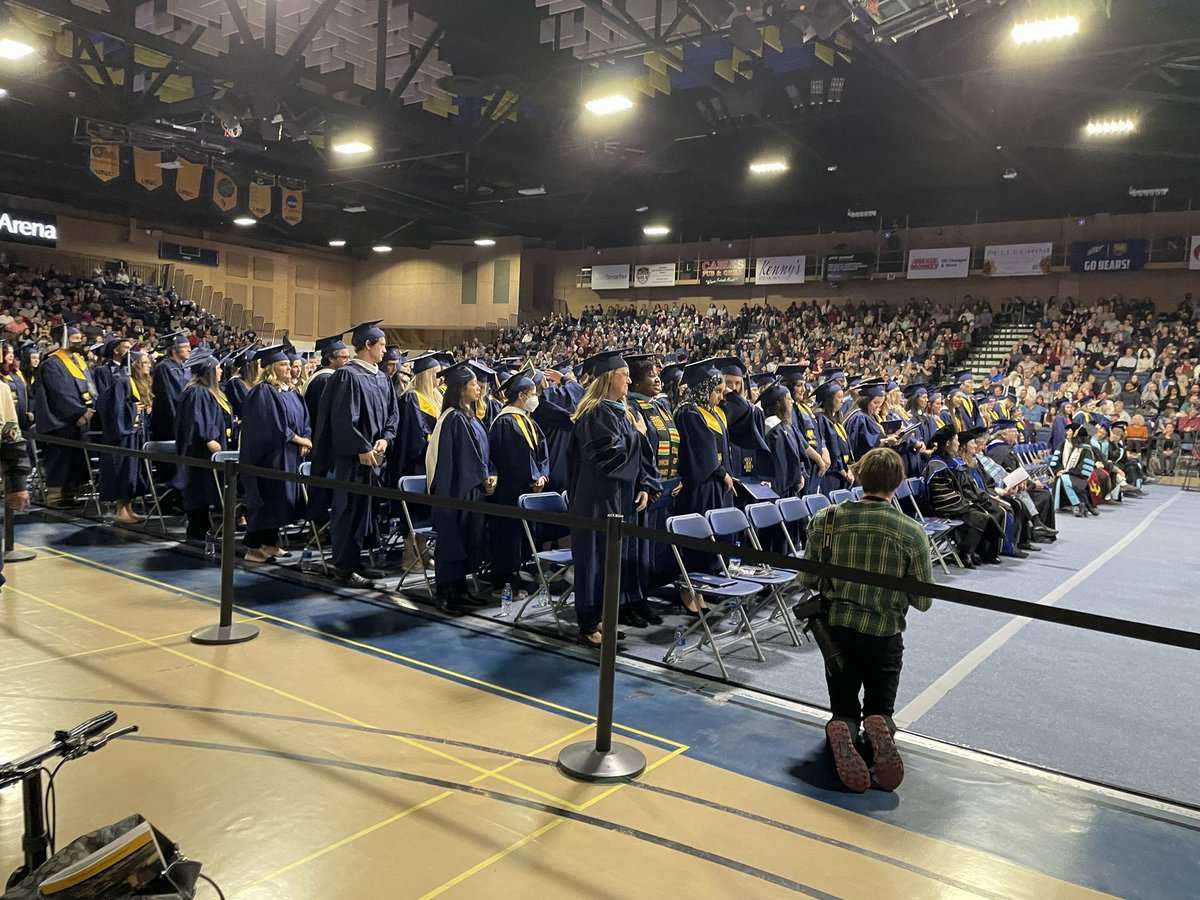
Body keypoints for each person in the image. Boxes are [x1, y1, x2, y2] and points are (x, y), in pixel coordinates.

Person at [802, 447, 932, 793]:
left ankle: (843, 726)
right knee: (880, 704)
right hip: (884, 632)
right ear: (900, 483)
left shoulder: (826, 519)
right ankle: (880, 726)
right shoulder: (911, 531)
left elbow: (808, 580)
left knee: (843, 703)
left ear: (858, 476)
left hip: (836, 631)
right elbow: (923, 600)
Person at [566, 350, 656, 645]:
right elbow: (611, 460)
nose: (630, 379)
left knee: (607, 564)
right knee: (593, 562)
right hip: (594, 502)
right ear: (607, 379)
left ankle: (601, 618)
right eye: (624, 375)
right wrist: (639, 435)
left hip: (615, 501)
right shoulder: (595, 413)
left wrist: (645, 483)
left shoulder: (619, 410)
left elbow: (636, 458)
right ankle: (588, 625)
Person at [310, 320, 400, 588]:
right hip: (352, 460)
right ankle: (343, 567)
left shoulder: (380, 377)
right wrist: (361, 448)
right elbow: (341, 419)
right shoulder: (346, 375)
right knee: (348, 510)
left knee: (365, 512)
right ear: (368, 345)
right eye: (381, 345)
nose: (385, 350)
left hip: (375, 459)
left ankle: (356, 561)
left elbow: (392, 414)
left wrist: (386, 438)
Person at [427, 361, 495, 611]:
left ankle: (460, 589)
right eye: (473, 384)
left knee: (467, 541)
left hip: (472, 490)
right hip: (455, 491)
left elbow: (484, 454)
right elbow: (454, 461)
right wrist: (481, 478)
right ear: (460, 389)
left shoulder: (471, 416)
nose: (479, 388)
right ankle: (445, 592)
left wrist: (489, 477)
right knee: (452, 540)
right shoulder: (452, 419)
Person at [239, 345, 312, 563]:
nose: (289, 368)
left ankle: (270, 543)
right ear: (271, 368)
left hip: (289, 454)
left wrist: (305, 439)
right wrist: (299, 439)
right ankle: (252, 547)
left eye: (289, 364)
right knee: (267, 499)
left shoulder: (289, 391)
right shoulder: (263, 392)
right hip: (268, 457)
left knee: (280, 499)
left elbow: (304, 418)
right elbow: (272, 425)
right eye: (283, 365)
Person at [486, 368, 550, 601]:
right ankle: (502, 584)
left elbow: (542, 451)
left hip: (526, 489)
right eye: (533, 393)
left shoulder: (526, 421)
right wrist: (533, 477)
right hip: (509, 491)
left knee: (518, 538)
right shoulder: (505, 421)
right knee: (507, 537)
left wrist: (542, 474)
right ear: (522, 396)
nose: (537, 397)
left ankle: (514, 578)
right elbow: (514, 458)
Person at [627, 354, 679, 618]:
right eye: (650, 375)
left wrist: (677, 479)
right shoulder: (631, 408)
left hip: (666, 488)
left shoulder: (659, 407)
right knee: (640, 548)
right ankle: (635, 599)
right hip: (645, 489)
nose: (657, 379)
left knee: (655, 549)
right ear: (635, 383)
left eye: (657, 374)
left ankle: (645, 595)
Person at [32, 322, 96, 508]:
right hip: (61, 421)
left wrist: (91, 407)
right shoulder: (52, 363)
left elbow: (91, 388)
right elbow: (61, 393)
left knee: (76, 459)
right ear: (64, 340)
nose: (79, 341)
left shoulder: (79, 362)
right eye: (74, 338)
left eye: (79, 338)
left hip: (82, 419)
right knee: (60, 458)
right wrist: (80, 411)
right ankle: (54, 497)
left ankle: (70, 493)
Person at [172, 351, 233, 541]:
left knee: (206, 493)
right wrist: (209, 439)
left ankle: (203, 531)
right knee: (199, 491)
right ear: (208, 371)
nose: (221, 371)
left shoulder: (210, 392)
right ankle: (197, 534)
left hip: (208, 452)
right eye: (217, 368)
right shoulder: (197, 392)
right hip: (200, 453)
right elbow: (196, 421)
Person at [923, 424, 1004, 566]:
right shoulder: (936, 465)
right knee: (978, 516)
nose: (959, 443)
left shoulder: (951, 463)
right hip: (942, 509)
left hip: (957, 505)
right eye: (956, 440)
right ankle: (965, 552)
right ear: (948, 443)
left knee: (985, 512)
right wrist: (967, 504)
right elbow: (942, 498)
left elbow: (967, 486)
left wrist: (972, 501)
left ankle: (975, 552)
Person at [96, 348, 151, 524]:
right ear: (135, 365)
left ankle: (128, 507)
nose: (148, 366)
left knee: (132, 472)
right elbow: (114, 410)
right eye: (145, 363)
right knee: (123, 472)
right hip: (122, 436)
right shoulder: (121, 382)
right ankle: (121, 510)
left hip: (134, 434)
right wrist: (135, 409)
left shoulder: (135, 382)